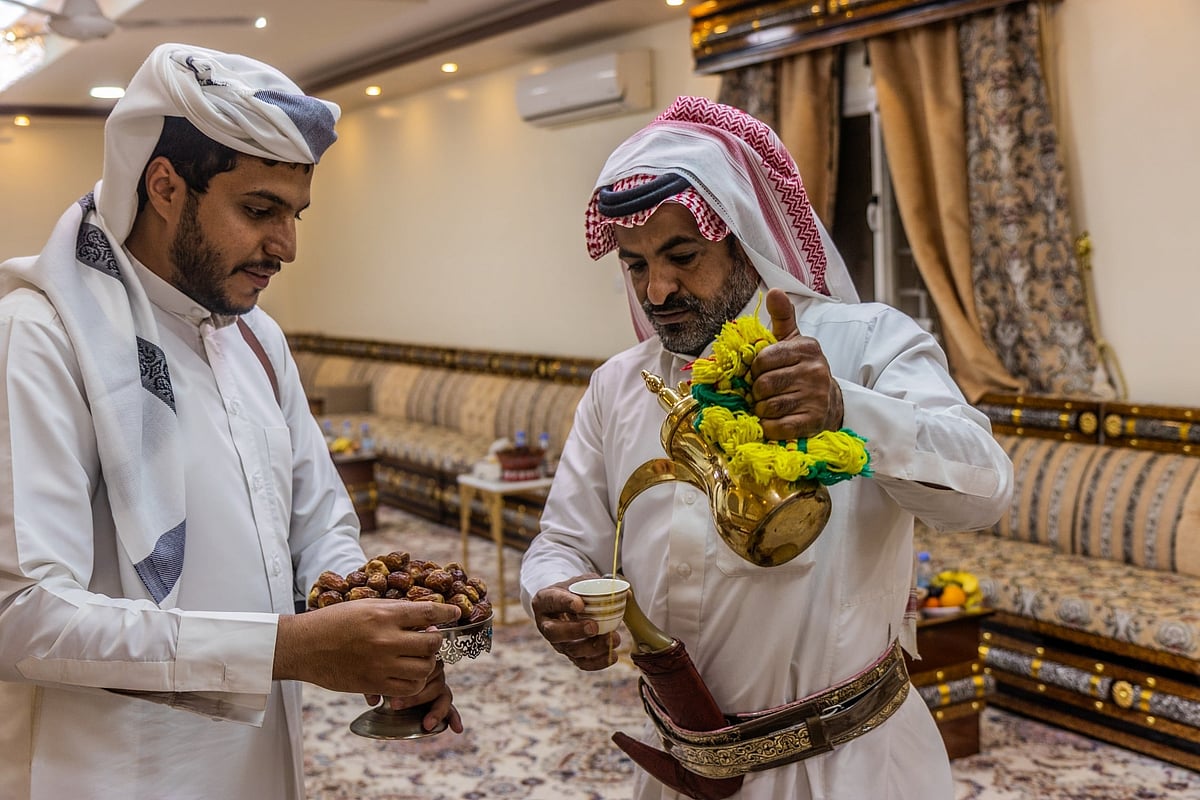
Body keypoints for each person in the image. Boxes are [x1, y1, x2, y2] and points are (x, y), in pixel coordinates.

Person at [0, 44, 462, 799]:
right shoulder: (40, 337)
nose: (286, 246)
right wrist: (288, 648)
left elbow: (319, 526)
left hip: (256, 760)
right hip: (105, 769)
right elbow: (20, 615)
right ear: (164, 186)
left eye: (294, 214)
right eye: (259, 210)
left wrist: (377, 642)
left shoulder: (255, 337)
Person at [519, 96, 1014, 799]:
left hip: (847, 771)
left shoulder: (863, 343)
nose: (658, 289)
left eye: (681, 256)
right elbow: (565, 539)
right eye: (636, 267)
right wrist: (553, 591)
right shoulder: (617, 387)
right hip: (685, 769)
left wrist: (846, 408)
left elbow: (986, 489)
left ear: (742, 239)